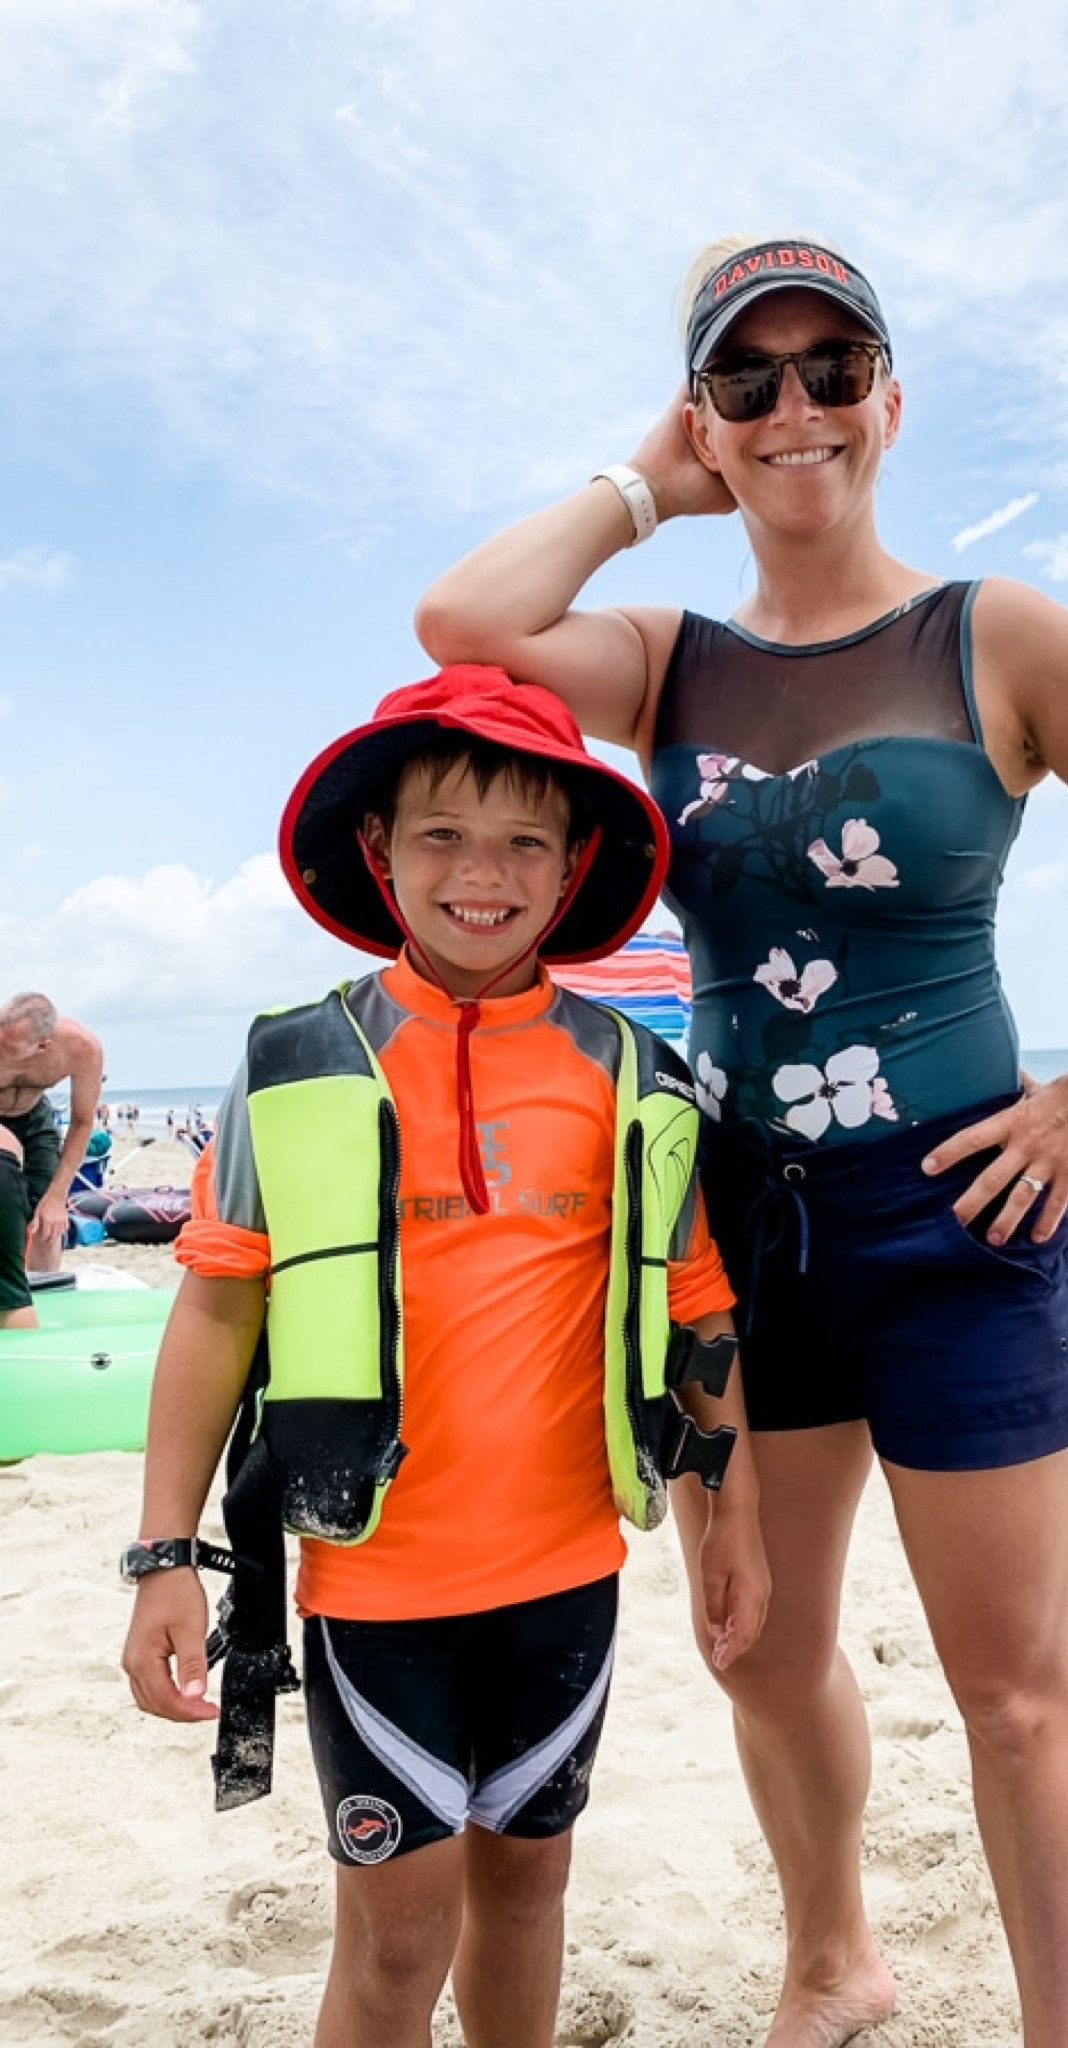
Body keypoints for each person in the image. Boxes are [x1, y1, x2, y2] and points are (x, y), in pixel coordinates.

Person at [414, 234, 1068, 2048]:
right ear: (705, 418)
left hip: (962, 1210)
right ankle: (832, 1952)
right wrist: (636, 489)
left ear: (890, 399)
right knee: (754, 1640)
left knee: (1012, 1688)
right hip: (733, 1218)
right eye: (745, 380)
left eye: (831, 369)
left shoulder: (993, 635)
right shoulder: (667, 662)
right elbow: (465, 626)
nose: (792, 406)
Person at [121, 668, 769, 2048]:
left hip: (567, 1578)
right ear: (377, 847)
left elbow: (697, 1314)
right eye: (443, 834)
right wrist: (165, 1554)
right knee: (398, 1936)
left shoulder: (631, 1074)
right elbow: (218, 1311)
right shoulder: (298, 1062)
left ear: (575, 864)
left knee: (530, 1892)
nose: (484, 874)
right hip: (375, 1585)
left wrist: (737, 1526)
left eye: (526, 839)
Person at [0, 993, 105, 1328]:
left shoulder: (81, 1048)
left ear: (42, 1046)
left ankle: (42, 1303)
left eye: (9, 1047)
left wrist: (57, 1197)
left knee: (47, 1220)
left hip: (34, 1119)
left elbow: (82, 1123)